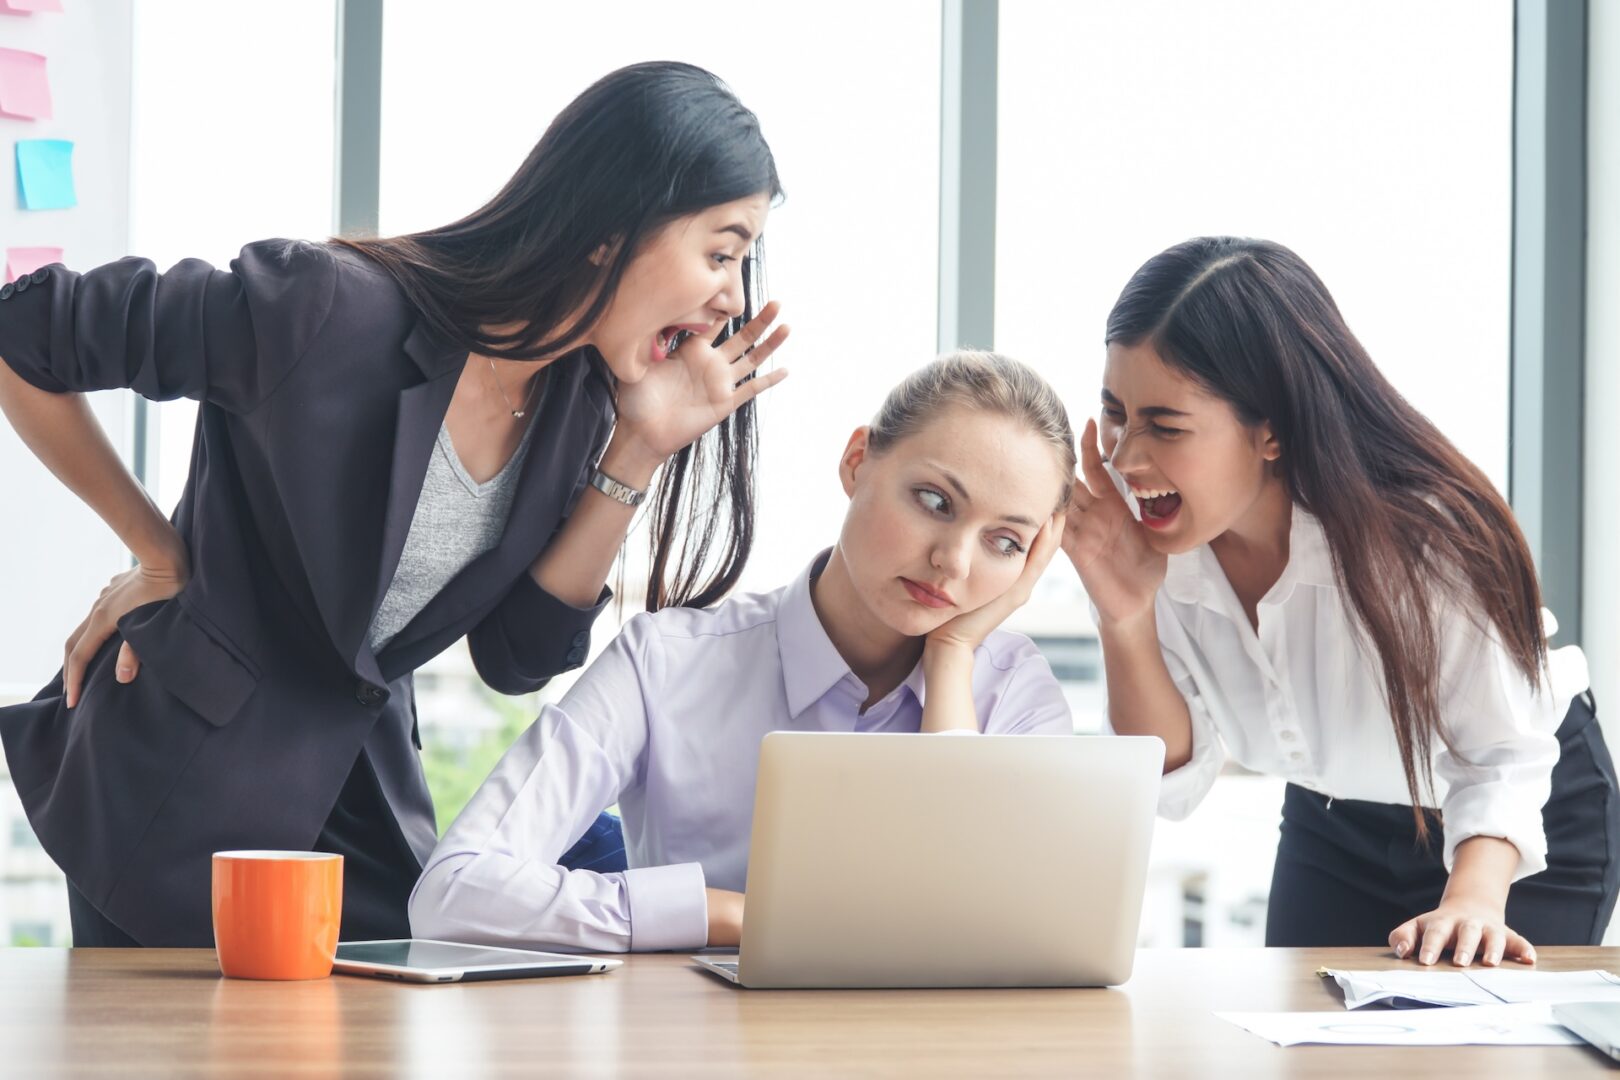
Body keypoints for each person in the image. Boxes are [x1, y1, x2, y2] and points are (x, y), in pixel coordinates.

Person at [0, 61, 789, 946]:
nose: (730, 298)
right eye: (720, 252)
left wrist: (637, 450)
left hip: (358, 820)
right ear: (613, 225)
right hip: (176, 797)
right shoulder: (324, 308)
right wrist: (157, 552)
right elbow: (26, 336)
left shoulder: (580, 408)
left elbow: (517, 657)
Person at [1062, 236, 1615, 966]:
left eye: (1164, 425)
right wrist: (1125, 615)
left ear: (1270, 429)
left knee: (1479, 1052)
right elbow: (1174, 779)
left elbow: (1501, 756)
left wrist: (1472, 900)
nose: (1127, 457)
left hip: (1514, 813)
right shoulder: (1155, 545)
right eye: (1115, 413)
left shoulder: (1423, 540)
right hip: (1333, 817)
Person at [408, 351, 1073, 952]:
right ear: (857, 461)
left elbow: (997, 934)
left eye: (1005, 542)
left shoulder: (1012, 692)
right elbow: (454, 890)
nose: (952, 562)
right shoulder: (666, 664)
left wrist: (953, 655)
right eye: (935, 501)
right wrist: (729, 915)